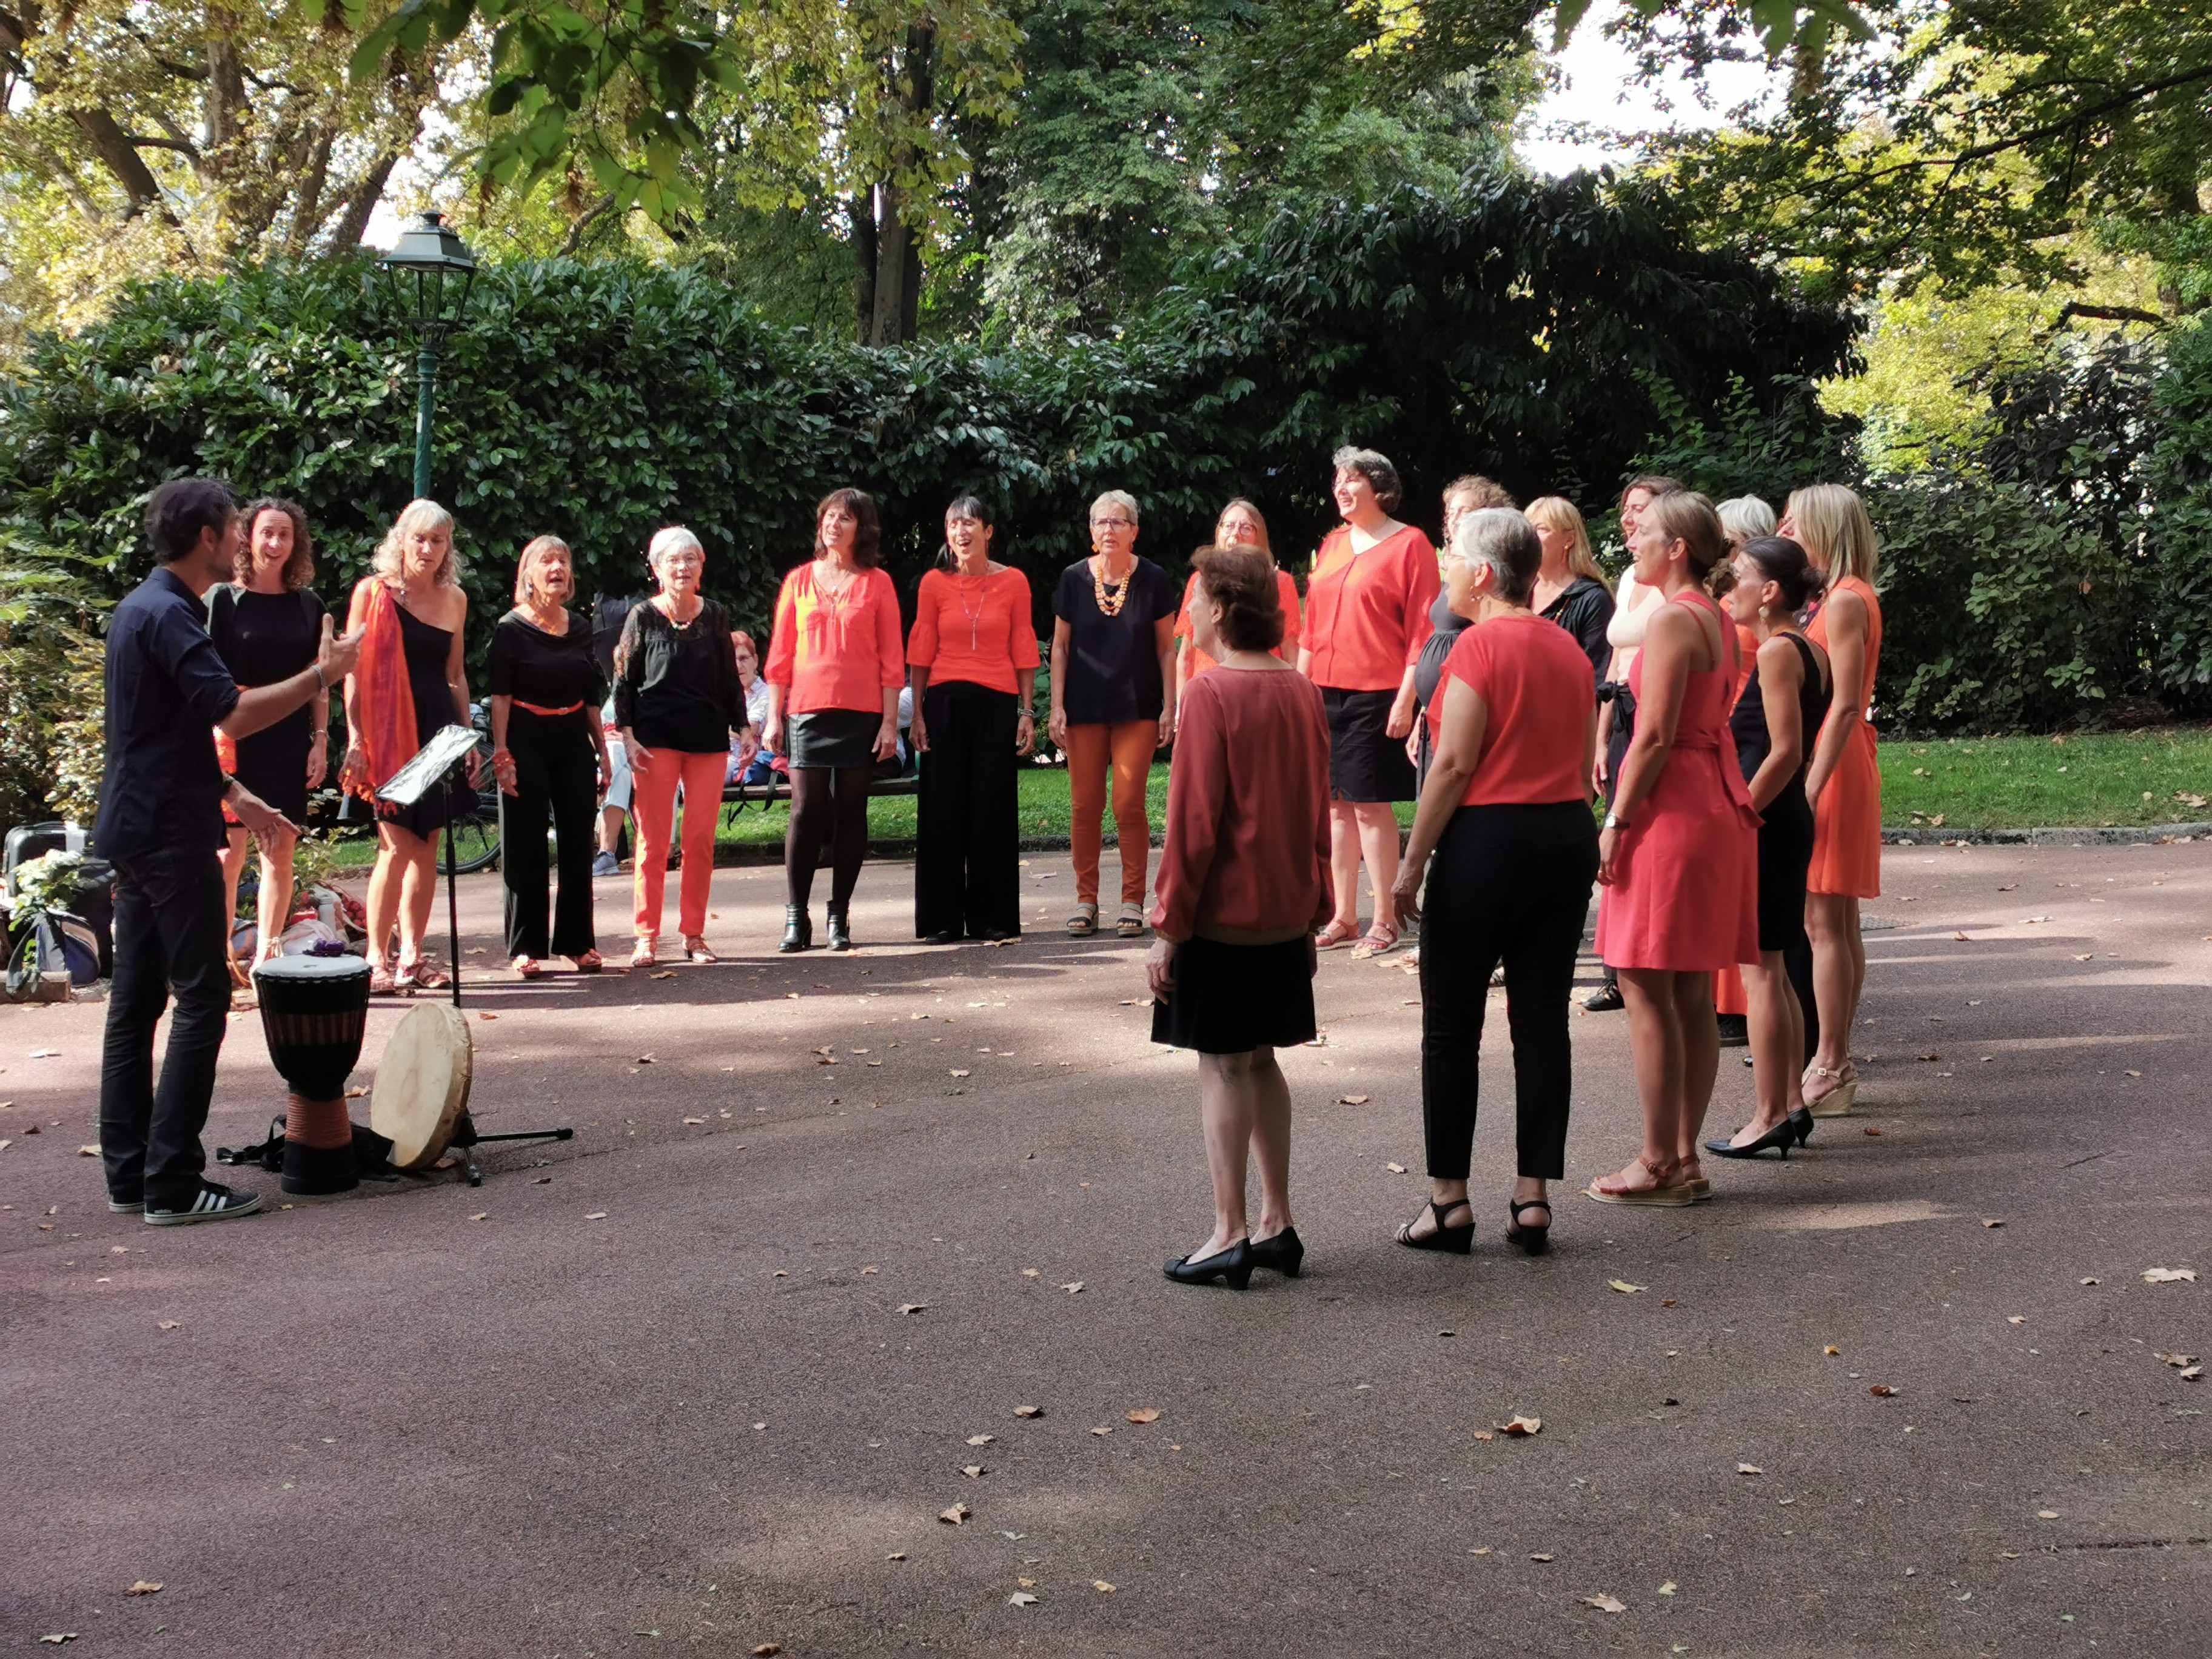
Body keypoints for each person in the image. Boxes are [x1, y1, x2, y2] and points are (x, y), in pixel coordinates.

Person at [96, 477, 362, 1224]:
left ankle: (130, 1177)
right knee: (203, 994)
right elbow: (234, 713)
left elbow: (156, 734)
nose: (246, 542)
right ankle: (173, 1183)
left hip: (139, 822)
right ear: (209, 537)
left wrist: (235, 795)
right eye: (236, 529)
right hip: (169, 832)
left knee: (136, 1003)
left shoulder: (141, 607)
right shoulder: (176, 615)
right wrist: (323, 675)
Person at [1391, 509, 1599, 1254]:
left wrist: (1411, 863)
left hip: (1490, 840)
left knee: (1451, 1024)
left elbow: (1452, 764)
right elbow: (1582, 768)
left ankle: (1449, 1201)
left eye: (1452, 555)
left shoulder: (1476, 648)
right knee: (1541, 1018)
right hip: (1565, 835)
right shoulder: (1572, 650)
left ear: (1482, 573)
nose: (1446, 566)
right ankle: (1533, 1195)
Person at [1146, 545, 1332, 1289]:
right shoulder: (1304, 689)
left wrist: (1167, 925)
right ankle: (1275, 1221)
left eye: (1196, 599)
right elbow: (1319, 808)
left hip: (1224, 917)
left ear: (1221, 609)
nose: (1187, 611)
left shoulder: (1212, 693)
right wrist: (1319, 903)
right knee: (1261, 1060)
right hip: (1286, 911)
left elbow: (1194, 824)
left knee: (1223, 1065)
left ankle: (1228, 1231)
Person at [1586, 490, 1761, 1206]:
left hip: (1670, 813)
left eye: (1646, 531)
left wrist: (1616, 820)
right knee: (1687, 986)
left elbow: (1653, 735)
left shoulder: (1670, 623)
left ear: (1678, 548)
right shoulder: (1717, 620)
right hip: (1711, 802)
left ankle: (1660, 1160)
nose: (1633, 539)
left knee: (1642, 983)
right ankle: (1683, 1157)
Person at [1706, 535, 1832, 1159]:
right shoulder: (1808, 648)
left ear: (1772, 592)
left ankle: (1767, 1113)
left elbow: (1784, 750)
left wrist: (1738, 815)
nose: (1731, 588)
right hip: (1782, 820)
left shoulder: (1782, 651)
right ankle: (1788, 1104)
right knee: (1773, 968)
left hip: (1769, 821)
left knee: (1762, 972)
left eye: (1741, 577)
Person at [1300, 446, 1440, 957]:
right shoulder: (1333, 544)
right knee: (1336, 808)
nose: (1341, 487)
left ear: (1380, 487)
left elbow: (1422, 632)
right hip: (1324, 690)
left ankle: (1384, 919)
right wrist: (1297, 689)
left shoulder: (1411, 544)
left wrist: (1407, 699)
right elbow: (1311, 630)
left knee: (1368, 808)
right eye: (1337, 478)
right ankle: (1343, 916)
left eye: (1352, 479)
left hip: (1377, 693)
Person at [340, 499, 477, 995]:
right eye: (418, 538)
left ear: (448, 548)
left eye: (437, 540)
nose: (427, 548)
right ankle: (377, 957)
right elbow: (351, 674)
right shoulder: (370, 593)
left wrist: (467, 737)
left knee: (427, 846)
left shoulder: (455, 599)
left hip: (438, 732)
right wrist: (356, 739)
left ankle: (413, 956)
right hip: (387, 733)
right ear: (400, 540)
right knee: (395, 845)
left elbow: (455, 675)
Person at [765, 489, 903, 953]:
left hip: (862, 712)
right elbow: (780, 656)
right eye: (829, 516)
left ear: (861, 528)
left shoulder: (878, 583)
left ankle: (838, 916)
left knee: (851, 812)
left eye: (846, 518)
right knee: (806, 811)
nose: (834, 524)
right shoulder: (798, 581)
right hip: (807, 709)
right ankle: (795, 915)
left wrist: (888, 723)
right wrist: (773, 717)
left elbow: (891, 659)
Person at [1786, 484, 1885, 1116]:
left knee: (1824, 923)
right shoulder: (1847, 596)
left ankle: (1830, 1060)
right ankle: (1834, 1058)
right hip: (1838, 757)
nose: (1786, 532)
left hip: (1833, 760)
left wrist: (1812, 783)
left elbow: (1846, 701)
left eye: (1795, 524)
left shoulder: (1846, 601)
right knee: (1837, 923)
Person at [615, 526, 752, 967]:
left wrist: (743, 727)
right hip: (655, 740)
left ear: (701, 568)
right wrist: (629, 735)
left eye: (691, 559)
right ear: (658, 570)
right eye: (674, 560)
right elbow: (624, 680)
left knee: (699, 840)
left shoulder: (715, 615)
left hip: (708, 738)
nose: (683, 567)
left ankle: (694, 935)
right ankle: (646, 936)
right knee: (654, 842)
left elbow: (730, 679)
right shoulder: (643, 616)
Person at [908, 497, 1041, 943]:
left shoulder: (1015, 582)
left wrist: (1026, 711)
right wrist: (918, 713)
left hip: (997, 702)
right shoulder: (933, 584)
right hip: (944, 703)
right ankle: (941, 919)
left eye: (970, 523)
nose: (961, 532)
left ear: (988, 531)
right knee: (942, 811)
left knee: (992, 810)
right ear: (947, 534)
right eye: (953, 525)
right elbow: (922, 648)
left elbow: (1023, 645)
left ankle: (993, 919)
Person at [1050, 489, 1177, 939]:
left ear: (1134, 531)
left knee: (1127, 804)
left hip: (1138, 708)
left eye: (1118, 522)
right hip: (1084, 708)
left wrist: (1170, 706)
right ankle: (1086, 900)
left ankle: (1132, 899)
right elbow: (1061, 647)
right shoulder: (1072, 579)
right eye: (1100, 522)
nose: (1109, 529)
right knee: (1085, 806)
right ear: (1090, 532)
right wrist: (1056, 706)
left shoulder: (1155, 579)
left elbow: (1167, 650)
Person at [209, 498, 327, 973]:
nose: (275, 543)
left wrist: (320, 739)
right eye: (267, 533)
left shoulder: (309, 605)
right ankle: (215, 961)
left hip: (288, 738)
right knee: (228, 854)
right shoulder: (222, 599)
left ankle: (267, 959)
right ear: (248, 537)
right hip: (234, 735)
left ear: (295, 544)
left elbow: (320, 677)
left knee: (278, 850)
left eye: (285, 535)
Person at [1583, 474, 1683, 1013]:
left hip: (1653, 715)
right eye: (1625, 509)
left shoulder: (1681, 603)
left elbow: (1663, 717)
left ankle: (1646, 968)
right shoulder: (1630, 579)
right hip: (1620, 713)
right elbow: (1615, 665)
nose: (1628, 519)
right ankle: (1616, 971)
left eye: (1639, 510)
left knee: (1632, 838)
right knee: (1615, 848)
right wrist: (1600, 740)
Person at [489, 536, 611, 977]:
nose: (557, 567)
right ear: (529, 575)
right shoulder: (509, 629)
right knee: (525, 842)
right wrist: (501, 753)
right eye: (547, 561)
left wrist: (603, 750)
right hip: (525, 736)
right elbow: (500, 696)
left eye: (563, 560)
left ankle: (578, 944)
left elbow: (591, 694)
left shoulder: (579, 627)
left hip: (573, 738)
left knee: (579, 840)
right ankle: (525, 947)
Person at [1408, 478, 1510, 786]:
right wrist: (1423, 712)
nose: (1453, 518)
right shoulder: (1455, 570)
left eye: (1463, 511)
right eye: (1450, 512)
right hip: (1436, 711)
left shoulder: (1490, 572)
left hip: (1464, 707)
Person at [1171, 499, 1301, 709]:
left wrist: (1293, 704)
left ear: (1259, 537)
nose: (1235, 533)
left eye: (1246, 527)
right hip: (1206, 696)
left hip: (1260, 697)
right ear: (1218, 532)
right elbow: (1186, 656)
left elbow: (1290, 654)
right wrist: (1182, 709)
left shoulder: (1279, 583)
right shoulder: (1199, 580)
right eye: (1229, 525)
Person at [1523, 495, 1617, 687]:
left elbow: (1597, 678)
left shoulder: (1593, 599)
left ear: (1569, 539)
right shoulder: (1520, 591)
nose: (1530, 538)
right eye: (1527, 529)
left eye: (1541, 529)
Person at [729, 630, 777, 786]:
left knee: (695, 780)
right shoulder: (723, 695)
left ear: (755, 661)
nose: (737, 665)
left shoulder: (768, 693)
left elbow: (751, 728)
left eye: (743, 658)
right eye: (731, 660)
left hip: (742, 763)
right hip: (715, 760)